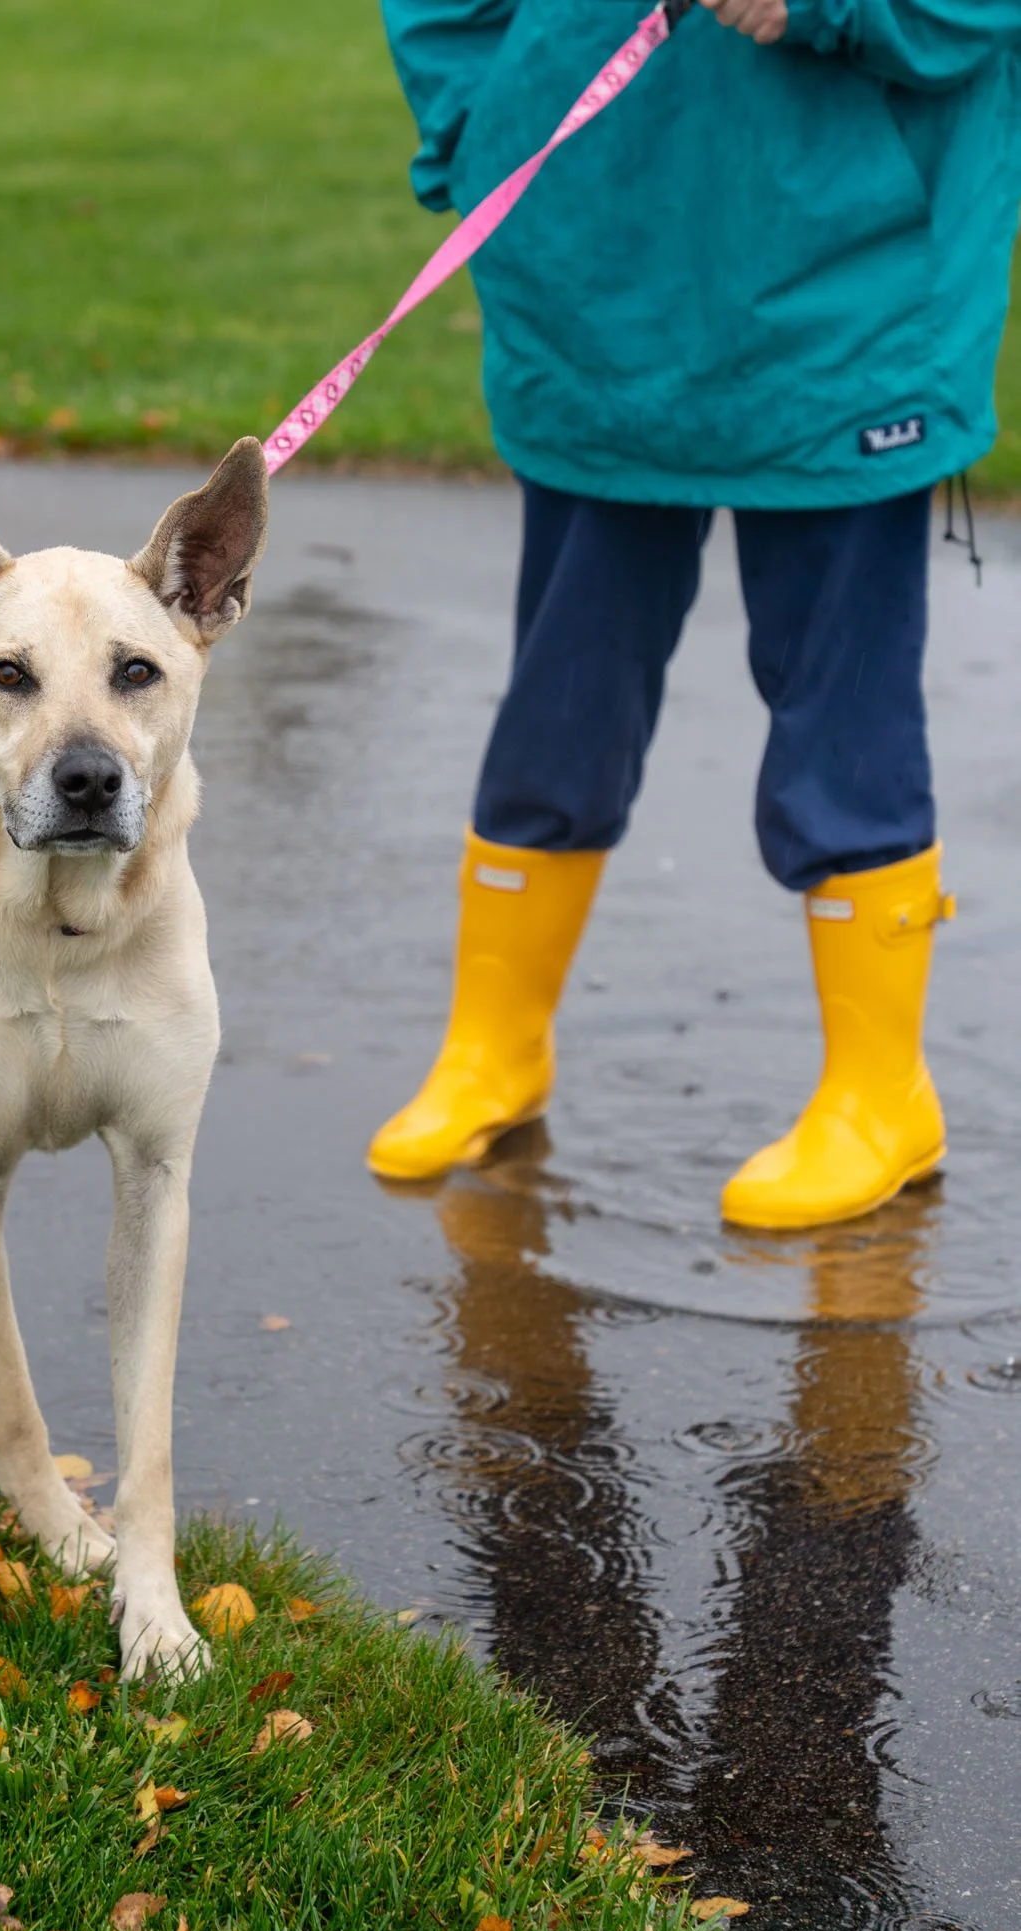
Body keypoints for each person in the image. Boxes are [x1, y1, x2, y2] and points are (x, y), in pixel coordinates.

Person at [370, 0, 1021, 1227]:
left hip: (857, 285)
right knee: (561, 697)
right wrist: (484, 126)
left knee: (848, 718)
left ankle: (881, 1095)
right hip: (591, 278)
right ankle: (493, 1049)